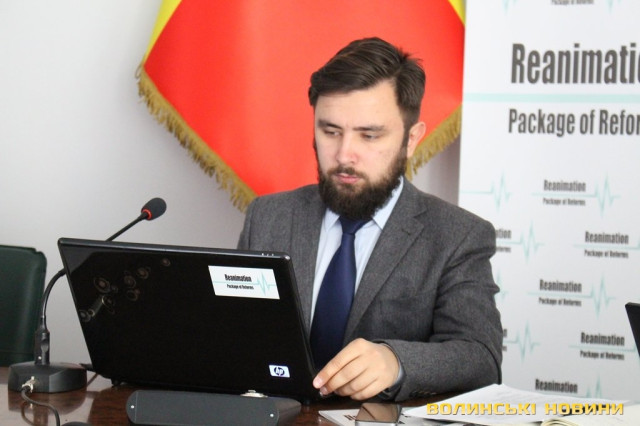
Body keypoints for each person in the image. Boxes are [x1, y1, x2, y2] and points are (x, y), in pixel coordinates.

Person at [237, 37, 502, 401]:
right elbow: (236, 332)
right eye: (330, 132)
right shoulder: (268, 217)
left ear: (411, 139)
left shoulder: (458, 236)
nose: (345, 155)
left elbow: (481, 356)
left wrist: (396, 362)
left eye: (369, 135)